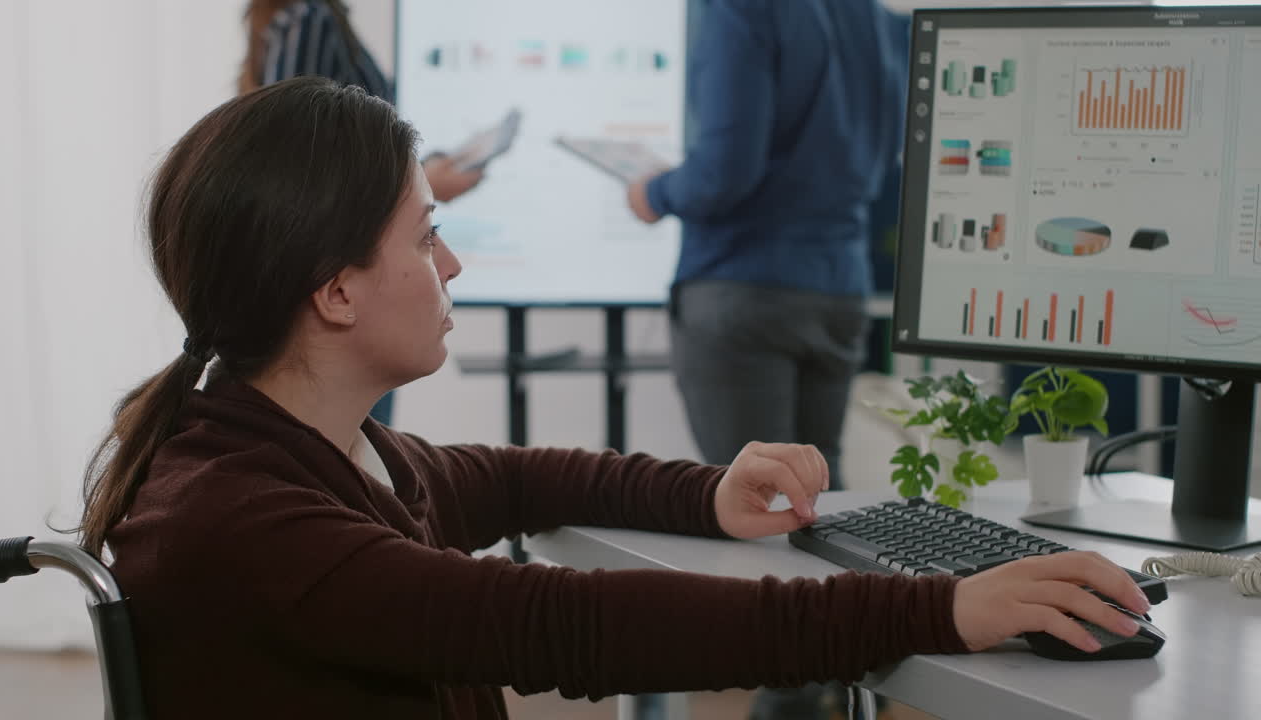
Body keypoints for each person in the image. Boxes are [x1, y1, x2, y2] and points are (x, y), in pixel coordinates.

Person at [79, 77, 1151, 719]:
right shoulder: (250, 518)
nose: (451, 268)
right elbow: (562, 625)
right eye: (425, 234)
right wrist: (943, 607)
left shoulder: (309, 451)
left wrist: (705, 496)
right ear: (334, 290)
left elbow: (508, 476)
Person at [625, 3, 908, 714]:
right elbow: (883, 155)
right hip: (838, 285)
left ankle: (790, 699)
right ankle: (818, 692)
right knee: (819, 510)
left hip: (744, 289)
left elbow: (724, 171)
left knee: (758, 520)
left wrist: (654, 191)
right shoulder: (869, 16)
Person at [239, 0, 483, 425]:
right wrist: (426, 183)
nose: (451, 265)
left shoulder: (309, 23)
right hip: (341, 295)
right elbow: (296, 166)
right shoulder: (310, 20)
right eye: (427, 237)